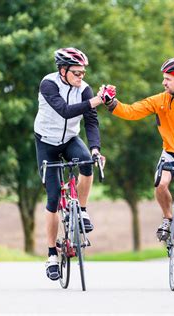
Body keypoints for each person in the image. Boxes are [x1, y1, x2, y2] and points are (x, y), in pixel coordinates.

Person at [100, 57, 174, 273]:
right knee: (161, 184)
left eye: (168, 79)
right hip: (171, 153)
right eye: (164, 79)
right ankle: (168, 218)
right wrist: (111, 103)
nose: (164, 83)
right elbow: (133, 111)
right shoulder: (161, 100)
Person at [34, 47, 105, 280]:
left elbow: (91, 122)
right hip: (46, 143)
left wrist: (96, 149)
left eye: (83, 73)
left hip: (69, 139)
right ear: (62, 70)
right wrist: (95, 101)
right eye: (76, 72)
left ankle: (82, 211)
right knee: (53, 198)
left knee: (87, 161)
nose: (80, 77)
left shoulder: (84, 89)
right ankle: (52, 254)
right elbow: (64, 111)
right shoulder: (49, 84)